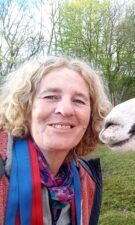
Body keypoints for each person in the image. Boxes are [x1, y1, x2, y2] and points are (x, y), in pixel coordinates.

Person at [0, 56, 111, 225]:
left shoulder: (86, 182)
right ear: (25, 105)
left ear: (92, 115)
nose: (66, 110)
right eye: (51, 97)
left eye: (79, 100)